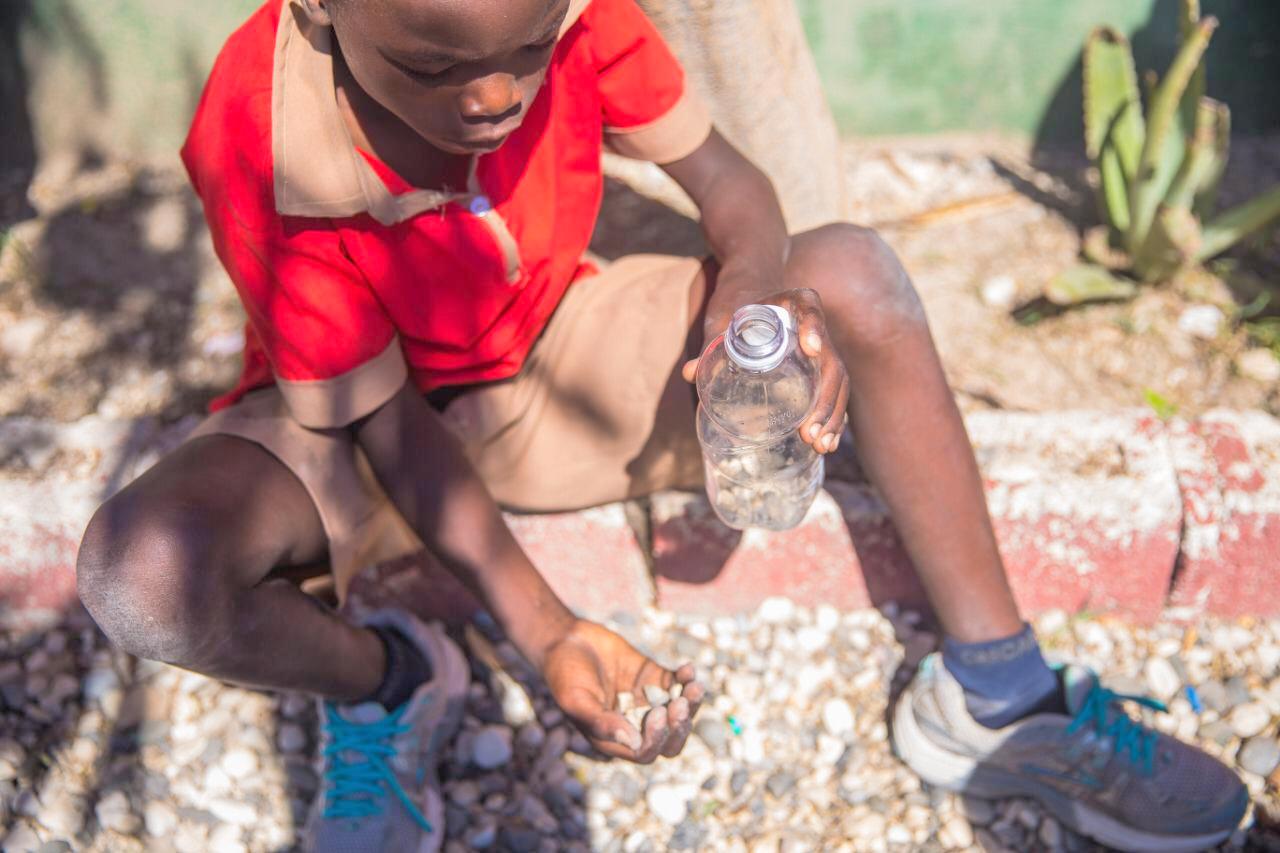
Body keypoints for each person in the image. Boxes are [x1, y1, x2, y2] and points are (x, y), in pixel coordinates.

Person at [74, 0, 1248, 850]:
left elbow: (735, 191)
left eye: (527, 52)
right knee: (142, 578)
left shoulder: (582, 22)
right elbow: (386, 427)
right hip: (365, 440)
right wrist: (550, 634)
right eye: (436, 66)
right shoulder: (259, 119)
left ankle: (1001, 696)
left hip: (554, 361)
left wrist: (757, 310)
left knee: (855, 276)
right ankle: (391, 681)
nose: (491, 98)